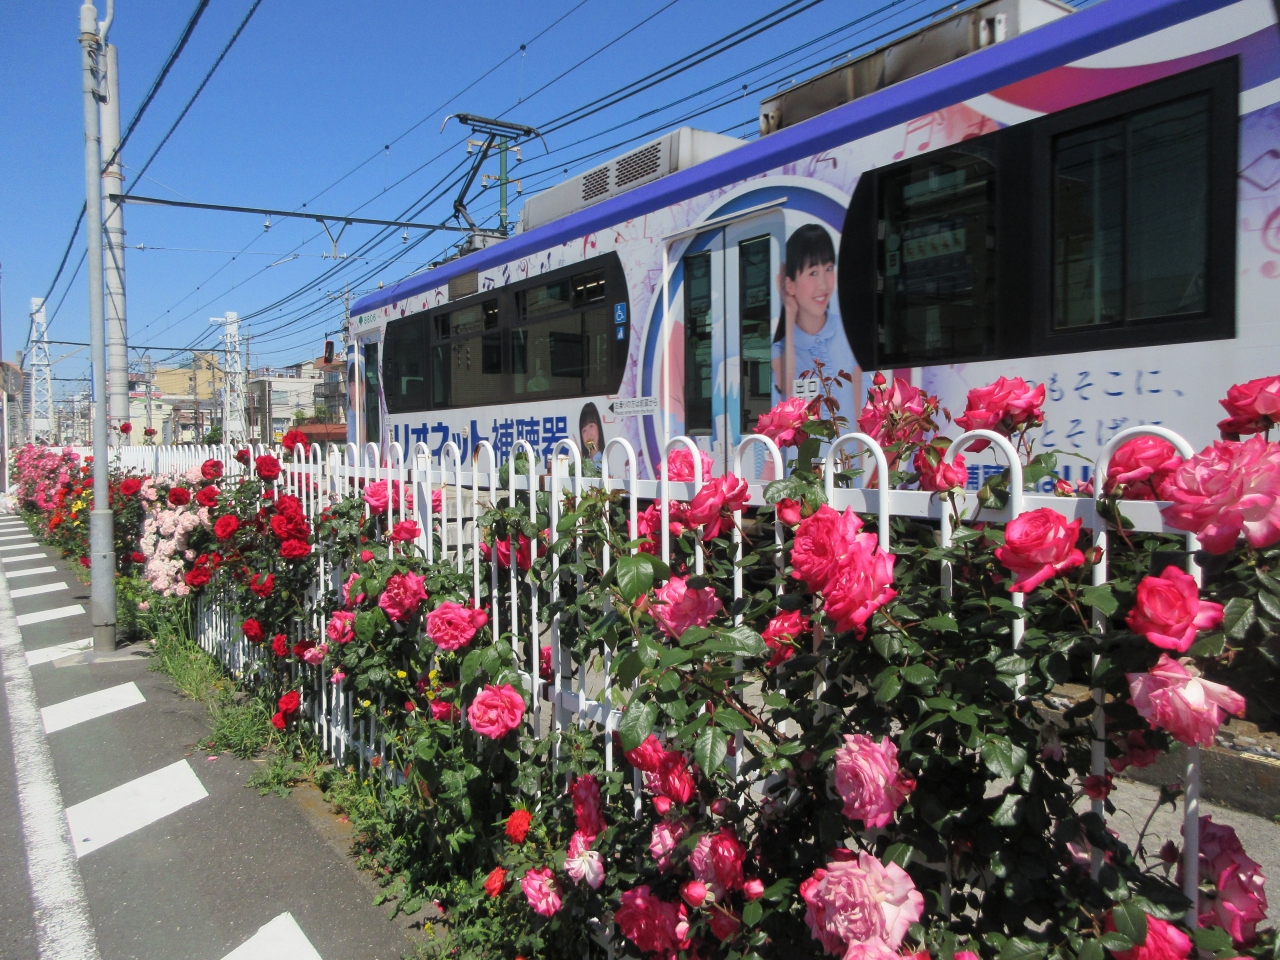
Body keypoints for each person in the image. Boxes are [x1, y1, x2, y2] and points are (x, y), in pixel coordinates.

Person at [771, 223, 859, 423]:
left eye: (828, 269)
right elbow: (786, 388)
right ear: (789, 284)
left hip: (846, 445)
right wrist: (790, 312)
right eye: (813, 272)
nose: (823, 284)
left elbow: (860, 415)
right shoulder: (780, 349)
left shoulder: (850, 332)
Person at [579, 402, 604, 469]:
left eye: (591, 426)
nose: (588, 435)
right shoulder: (584, 462)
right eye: (584, 430)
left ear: (598, 427)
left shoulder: (603, 463)